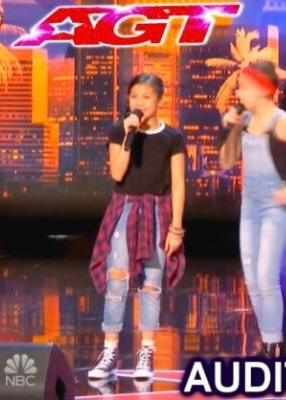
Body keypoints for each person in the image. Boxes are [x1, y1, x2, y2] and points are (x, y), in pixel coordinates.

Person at [88, 73, 187, 380]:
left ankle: (146, 352)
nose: (139, 102)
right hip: (125, 209)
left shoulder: (173, 136)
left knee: (151, 284)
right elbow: (117, 173)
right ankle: (109, 352)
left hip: (157, 212)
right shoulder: (120, 130)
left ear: (159, 100)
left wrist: (176, 229)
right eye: (134, 96)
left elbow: (178, 184)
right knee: (116, 279)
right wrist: (129, 135)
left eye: (146, 96)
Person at [220, 61, 286, 358]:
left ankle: (275, 346)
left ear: (262, 89)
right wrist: (233, 128)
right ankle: (268, 340)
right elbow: (226, 161)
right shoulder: (244, 120)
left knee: (265, 277)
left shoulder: (283, 122)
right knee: (251, 278)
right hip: (250, 206)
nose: (239, 93)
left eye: (243, 87)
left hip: (276, 206)